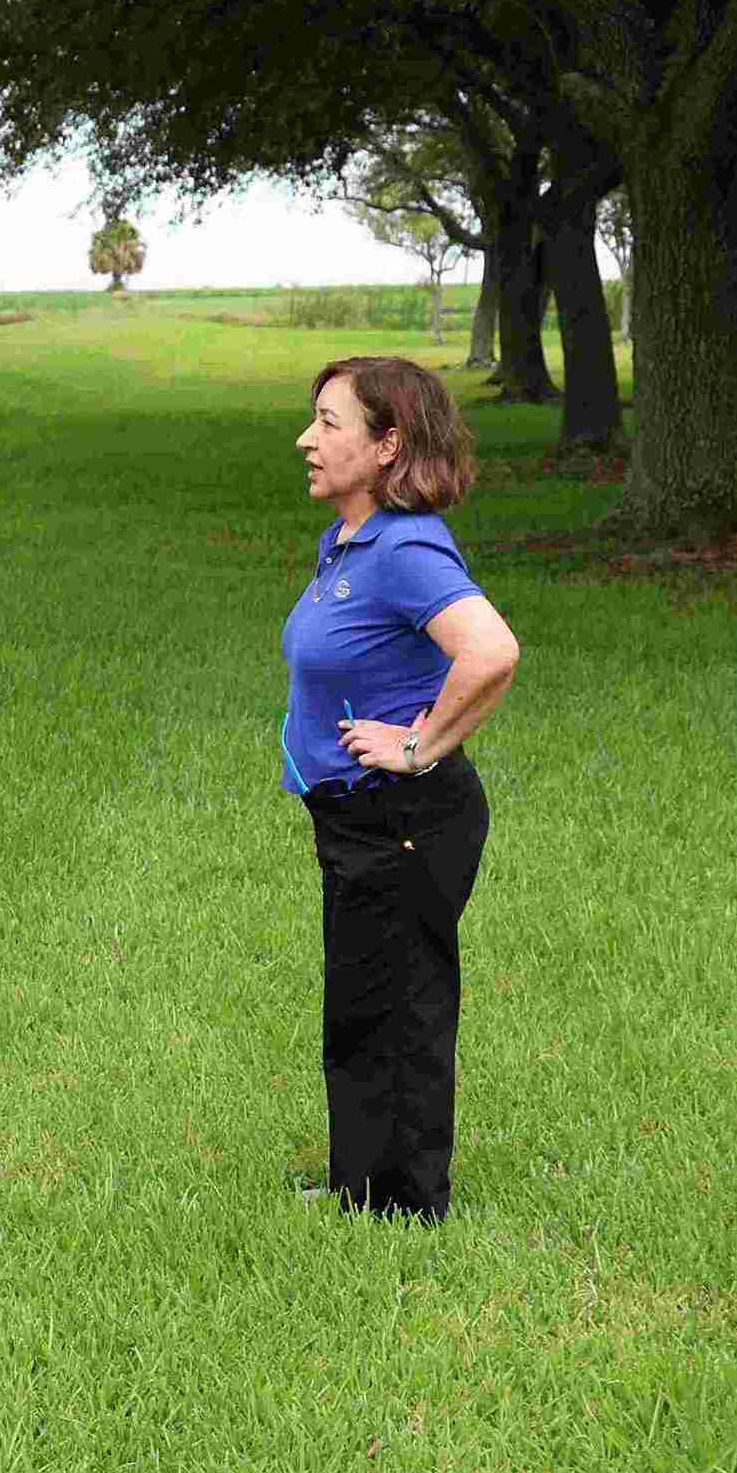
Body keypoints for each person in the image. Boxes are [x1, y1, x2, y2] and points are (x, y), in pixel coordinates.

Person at [281, 353, 523, 1221]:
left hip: (405, 818)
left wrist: (419, 745)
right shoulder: (351, 540)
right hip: (359, 819)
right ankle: (360, 1190)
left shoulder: (405, 549)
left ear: (389, 445)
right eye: (313, 420)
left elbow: (490, 651)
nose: (308, 440)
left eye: (330, 424)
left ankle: (408, 1209)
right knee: (360, 1009)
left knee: (405, 1010)